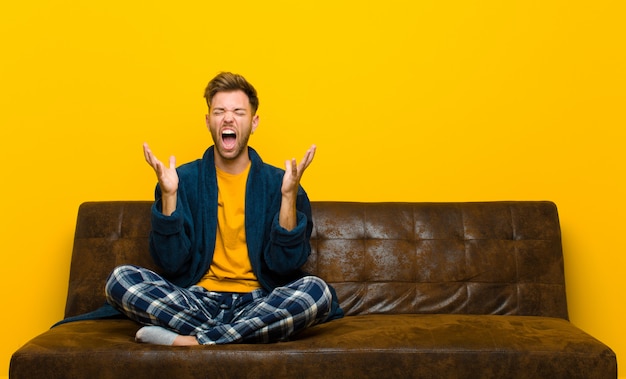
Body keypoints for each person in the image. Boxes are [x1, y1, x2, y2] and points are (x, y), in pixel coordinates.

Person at [104, 72, 342, 346]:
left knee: (317, 292)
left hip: (259, 300)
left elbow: (284, 266)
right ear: (209, 121)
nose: (228, 118)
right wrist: (169, 195)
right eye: (220, 111)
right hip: (195, 299)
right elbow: (170, 263)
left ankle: (188, 341)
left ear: (254, 123)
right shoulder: (183, 180)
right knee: (120, 279)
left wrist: (287, 197)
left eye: (238, 112)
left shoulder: (281, 183)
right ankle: (240, 334)